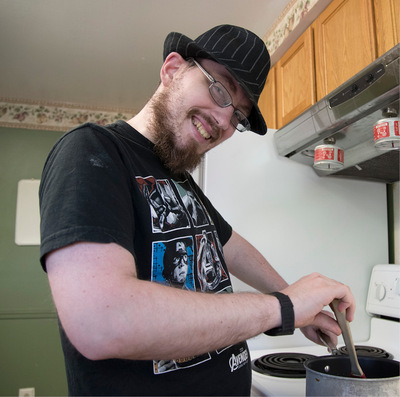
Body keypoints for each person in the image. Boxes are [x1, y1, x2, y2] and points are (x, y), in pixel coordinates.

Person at [39, 25, 355, 396]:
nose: (224, 121)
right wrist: (284, 307)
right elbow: (101, 321)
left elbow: (231, 246)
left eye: (238, 115)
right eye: (219, 89)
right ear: (172, 69)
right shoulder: (92, 152)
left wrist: (300, 302)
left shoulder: (179, 179)